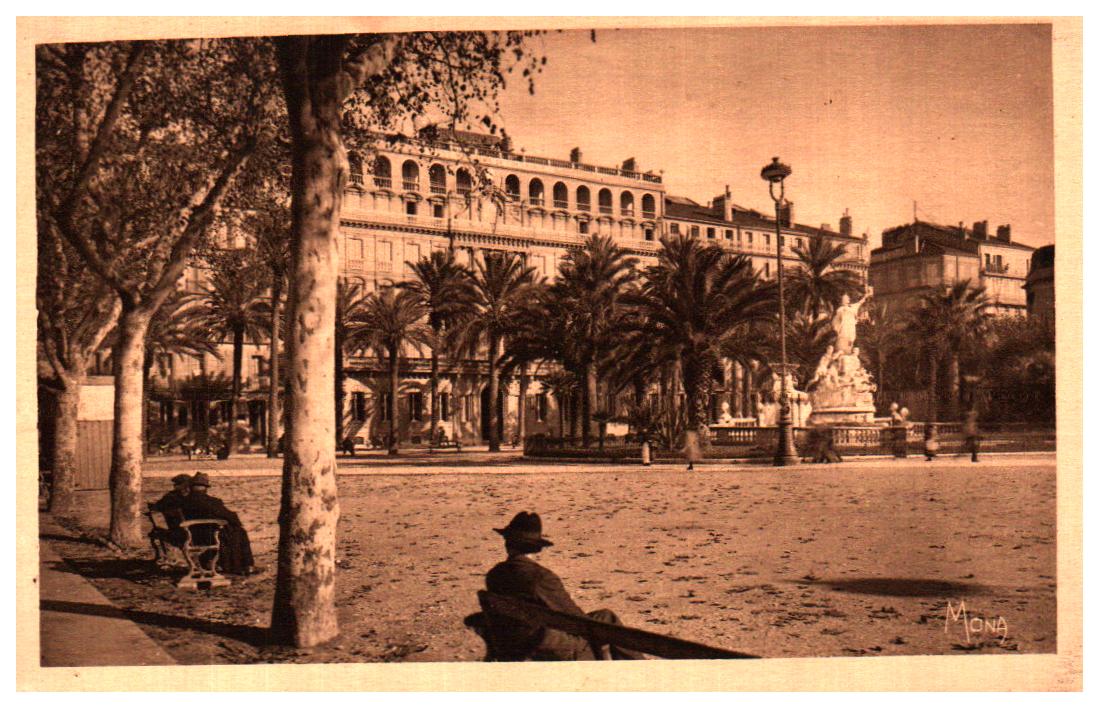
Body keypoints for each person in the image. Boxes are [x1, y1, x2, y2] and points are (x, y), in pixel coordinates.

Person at [482, 512, 645, 661]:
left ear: (507, 544)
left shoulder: (495, 574)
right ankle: (644, 672)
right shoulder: (540, 577)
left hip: (512, 639)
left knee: (606, 616)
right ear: (538, 548)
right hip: (543, 643)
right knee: (607, 628)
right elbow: (574, 618)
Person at [181, 472, 260, 576]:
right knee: (239, 531)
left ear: (191, 487)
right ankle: (242, 566)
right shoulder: (212, 502)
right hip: (209, 536)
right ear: (205, 488)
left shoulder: (184, 501)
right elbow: (231, 516)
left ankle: (226, 563)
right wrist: (236, 523)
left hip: (193, 535)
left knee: (233, 531)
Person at [150, 474, 191, 548]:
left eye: (175, 484)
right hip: (191, 531)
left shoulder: (169, 497)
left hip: (176, 531)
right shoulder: (192, 497)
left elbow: (156, 507)